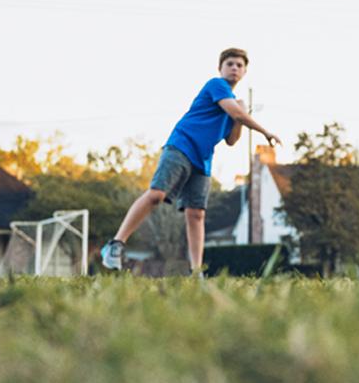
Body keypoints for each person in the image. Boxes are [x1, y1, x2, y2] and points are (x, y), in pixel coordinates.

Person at [99, 47, 282, 276]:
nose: (234, 68)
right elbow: (237, 115)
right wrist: (265, 132)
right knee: (157, 195)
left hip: (203, 159)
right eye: (230, 64)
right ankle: (115, 244)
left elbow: (232, 140)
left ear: (244, 72)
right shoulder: (217, 85)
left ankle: (197, 272)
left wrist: (241, 115)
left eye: (239, 65)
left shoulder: (234, 104)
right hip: (181, 146)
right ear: (220, 68)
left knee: (196, 214)